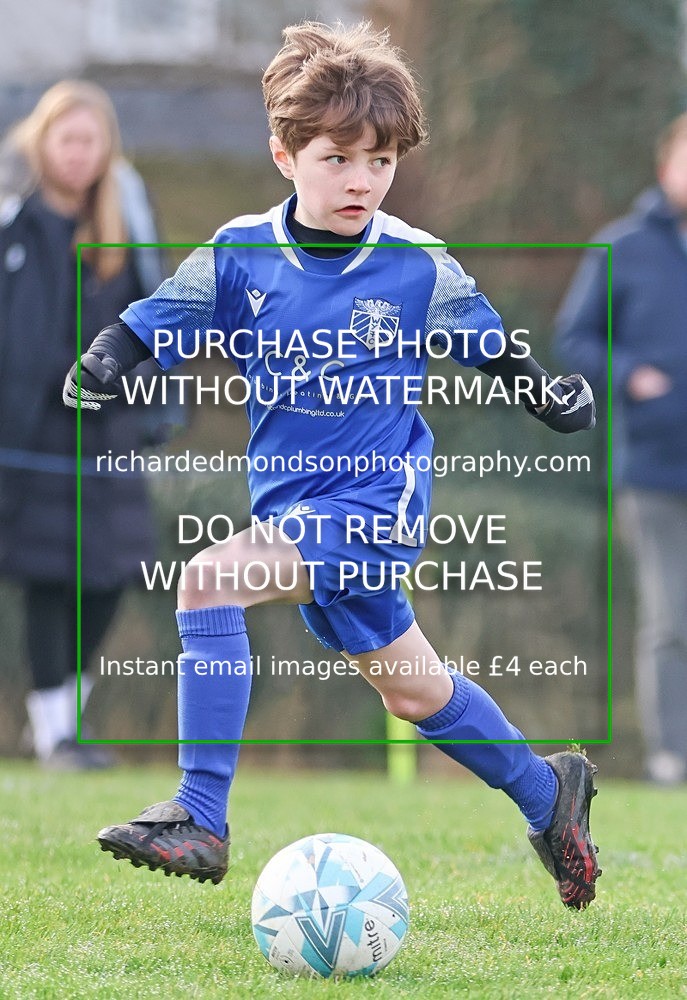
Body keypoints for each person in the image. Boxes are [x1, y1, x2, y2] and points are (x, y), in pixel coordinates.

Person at [64, 23, 600, 907]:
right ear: (284, 155)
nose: (362, 179)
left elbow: (490, 346)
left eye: (380, 161)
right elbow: (151, 321)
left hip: (374, 505)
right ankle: (551, 796)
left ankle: (201, 815)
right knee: (415, 695)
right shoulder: (242, 252)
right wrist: (106, 361)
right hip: (294, 511)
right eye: (339, 157)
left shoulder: (414, 263)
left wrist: (546, 395)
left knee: (207, 581)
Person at [0, 80, 168, 768]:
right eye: (65, 139)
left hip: (108, 435)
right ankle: (56, 734)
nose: (76, 154)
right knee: (48, 579)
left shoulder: (125, 226)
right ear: (44, 143)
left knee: (108, 577)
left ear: (105, 151)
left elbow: (153, 320)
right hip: (30, 437)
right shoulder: (15, 221)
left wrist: (156, 403)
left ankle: (62, 725)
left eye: (88, 141)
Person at [556, 113, 687, 786]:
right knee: (671, 620)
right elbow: (573, 338)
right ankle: (672, 758)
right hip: (654, 471)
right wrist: (631, 374)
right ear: (665, 164)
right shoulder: (623, 246)